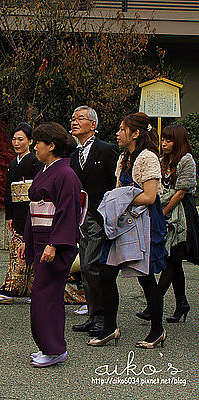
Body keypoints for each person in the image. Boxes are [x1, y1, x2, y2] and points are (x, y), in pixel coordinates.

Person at [89, 112, 167, 349]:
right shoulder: (124, 157)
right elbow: (119, 189)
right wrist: (118, 201)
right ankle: (110, 327)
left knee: (146, 277)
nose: (118, 133)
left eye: (123, 129)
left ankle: (157, 330)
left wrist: (121, 199)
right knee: (106, 272)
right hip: (124, 221)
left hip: (146, 222)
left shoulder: (148, 158)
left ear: (136, 133)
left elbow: (150, 196)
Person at [16, 122, 82, 367]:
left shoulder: (66, 174)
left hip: (54, 242)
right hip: (41, 237)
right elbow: (34, 210)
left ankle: (54, 349)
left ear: (51, 146)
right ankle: (49, 346)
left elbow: (67, 213)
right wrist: (28, 239)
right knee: (44, 295)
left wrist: (54, 244)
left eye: (38, 142)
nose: (34, 147)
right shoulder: (47, 170)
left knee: (47, 296)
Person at [136, 124, 199, 323]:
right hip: (166, 209)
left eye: (169, 140)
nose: (164, 143)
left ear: (178, 141)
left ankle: (154, 301)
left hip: (181, 214)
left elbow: (181, 191)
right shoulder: (163, 159)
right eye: (163, 139)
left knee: (174, 256)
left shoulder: (186, 159)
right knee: (174, 259)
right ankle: (182, 303)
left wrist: (162, 212)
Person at [69, 106, 119, 336]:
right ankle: (92, 314)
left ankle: (102, 316)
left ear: (93, 124)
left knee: (92, 265)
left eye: (80, 118)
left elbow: (116, 184)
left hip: (99, 216)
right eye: (73, 118)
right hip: (80, 218)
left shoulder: (106, 150)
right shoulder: (72, 154)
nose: (74, 122)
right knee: (87, 270)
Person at [0, 123, 42, 304]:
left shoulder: (36, 162)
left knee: (34, 252)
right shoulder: (13, 164)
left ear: (30, 141)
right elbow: (8, 191)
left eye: (21, 139)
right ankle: (12, 288)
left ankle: (32, 290)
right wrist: (9, 215)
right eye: (14, 139)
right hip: (17, 210)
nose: (16, 143)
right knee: (17, 251)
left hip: (32, 209)